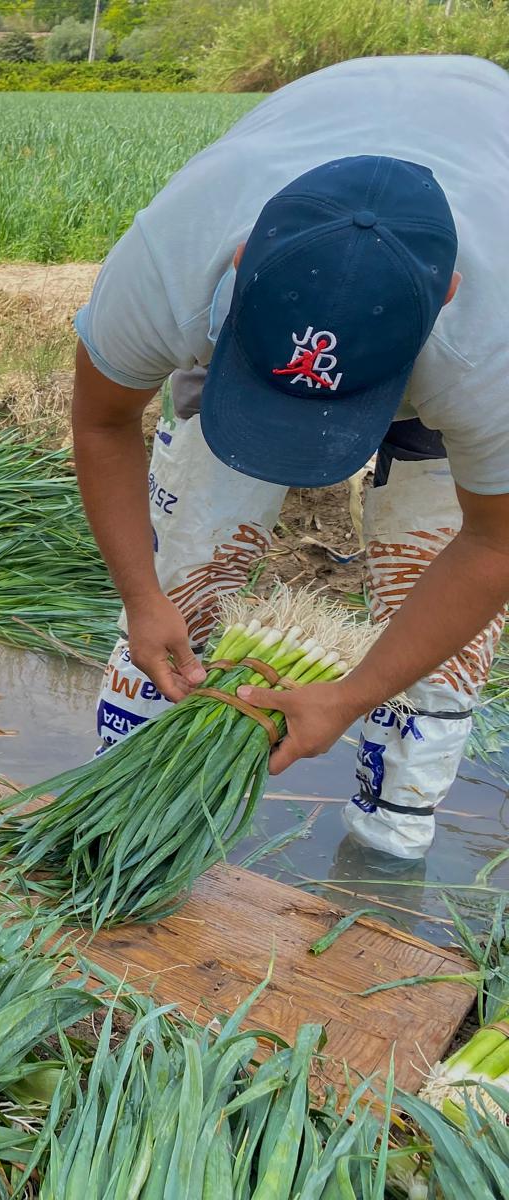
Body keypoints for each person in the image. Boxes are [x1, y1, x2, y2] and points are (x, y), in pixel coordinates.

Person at [71, 55, 509, 860]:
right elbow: (103, 424)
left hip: (463, 314)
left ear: (447, 293)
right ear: (242, 256)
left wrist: (351, 695)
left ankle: (390, 841)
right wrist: (142, 598)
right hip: (292, 223)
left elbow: (493, 546)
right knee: (189, 574)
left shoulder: (496, 345)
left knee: (431, 585)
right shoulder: (174, 259)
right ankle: (112, 816)